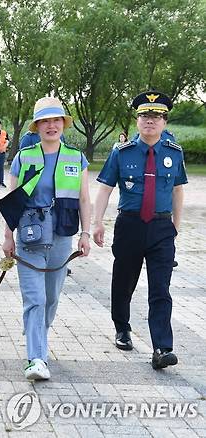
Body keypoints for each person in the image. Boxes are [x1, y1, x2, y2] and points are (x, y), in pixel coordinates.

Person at [93, 91, 186, 370]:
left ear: (164, 122)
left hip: (161, 227)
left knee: (161, 289)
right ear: (137, 120)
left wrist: (175, 228)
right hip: (130, 225)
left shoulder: (173, 152)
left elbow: (178, 191)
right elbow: (105, 187)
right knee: (124, 282)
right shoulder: (121, 153)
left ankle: (162, 347)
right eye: (145, 116)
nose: (150, 121)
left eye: (156, 117)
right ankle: (122, 328)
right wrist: (97, 222)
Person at [2, 97, 91, 381]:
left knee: (51, 297)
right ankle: (36, 358)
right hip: (29, 234)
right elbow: (11, 200)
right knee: (35, 297)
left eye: (56, 121)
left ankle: (39, 334)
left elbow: (85, 199)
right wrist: (7, 236)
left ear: (63, 125)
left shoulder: (76, 158)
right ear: (37, 126)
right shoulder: (23, 156)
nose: (51, 126)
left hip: (63, 235)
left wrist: (86, 233)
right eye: (45, 121)